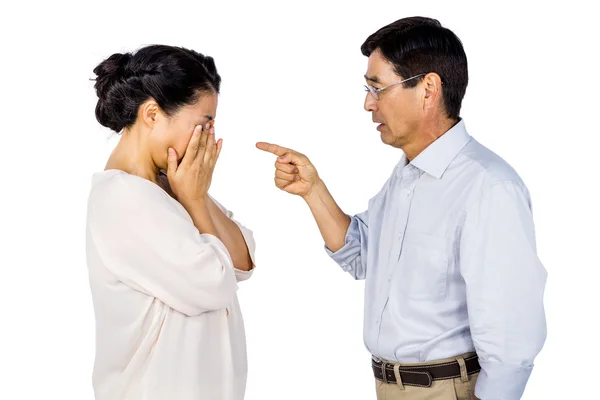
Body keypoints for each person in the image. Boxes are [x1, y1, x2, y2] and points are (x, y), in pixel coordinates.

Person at [257, 17, 546, 400]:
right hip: (392, 388)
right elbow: (361, 256)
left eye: (377, 87)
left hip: (449, 391)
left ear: (428, 89)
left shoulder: (489, 187)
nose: (367, 103)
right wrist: (313, 190)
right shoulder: (406, 177)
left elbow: (511, 335)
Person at [86, 44, 256, 400]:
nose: (208, 138)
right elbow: (215, 281)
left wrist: (195, 195)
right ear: (151, 114)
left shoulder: (169, 186)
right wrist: (194, 199)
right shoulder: (124, 198)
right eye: (203, 123)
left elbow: (242, 259)